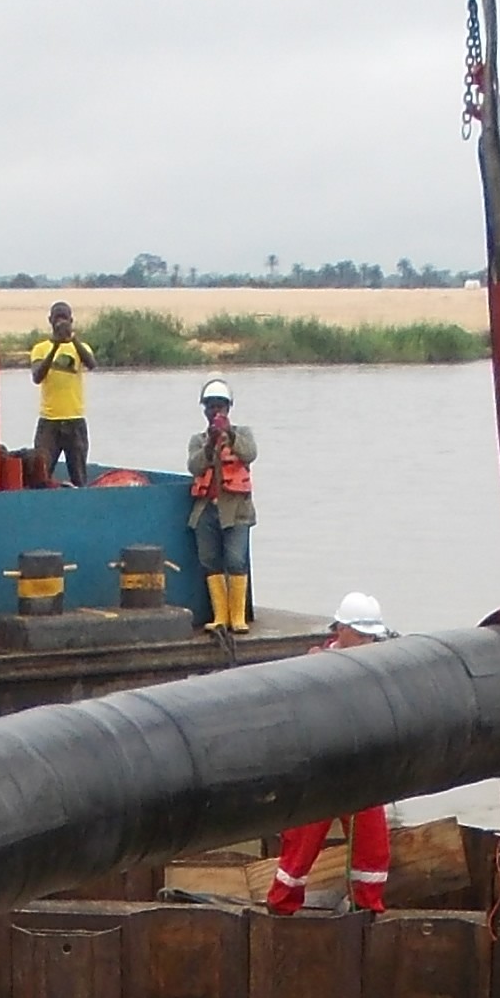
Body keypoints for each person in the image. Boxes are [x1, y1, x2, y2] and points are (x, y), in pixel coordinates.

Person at [268, 593, 397, 914]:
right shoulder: (315, 666)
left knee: (373, 845)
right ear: (340, 629)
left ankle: (367, 908)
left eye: (372, 635)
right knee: (301, 843)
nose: (368, 641)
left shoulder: (384, 663)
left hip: (363, 769)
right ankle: (281, 907)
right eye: (361, 634)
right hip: (321, 769)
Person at [188, 376, 256, 635]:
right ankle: (220, 617)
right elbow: (194, 466)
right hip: (206, 509)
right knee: (209, 560)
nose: (215, 411)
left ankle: (237, 618)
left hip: (237, 510)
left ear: (229, 408)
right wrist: (210, 446)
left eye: (220, 406)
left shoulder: (243, 434)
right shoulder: (198, 439)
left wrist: (229, 435)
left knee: (236, 560)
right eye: (210, 406)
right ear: (204, 409)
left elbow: (250, 454)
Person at [27, 303, 97, 488]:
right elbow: (37, 376)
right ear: (50, 320)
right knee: (40, 474)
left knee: (79, 476)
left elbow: (92, 364)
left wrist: (71, 340)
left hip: (75, 420)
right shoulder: (40, 348)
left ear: (71, 320)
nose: (60, 322)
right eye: (57, 318)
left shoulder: (81, 347)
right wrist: (55, 346)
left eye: (64, 318)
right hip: (49, 421)